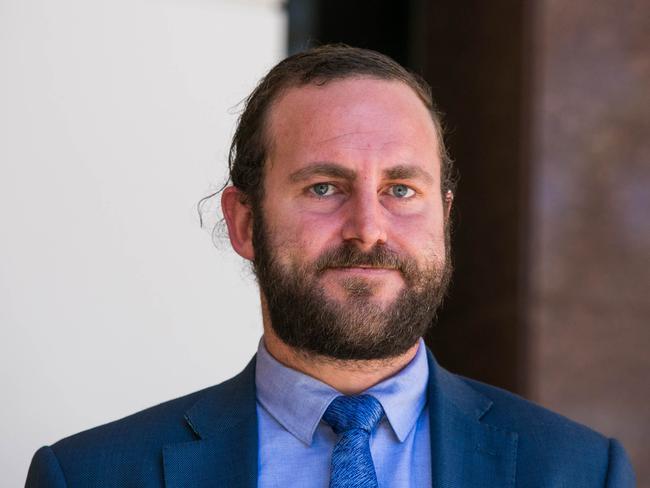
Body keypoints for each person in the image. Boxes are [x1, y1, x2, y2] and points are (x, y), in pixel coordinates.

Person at [26, 45, 635, 488]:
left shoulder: (580, 472)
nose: (368, 229)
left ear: (444, 217)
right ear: (243, 223)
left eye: (401, 189)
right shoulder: (87, 476)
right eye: (323, 187)